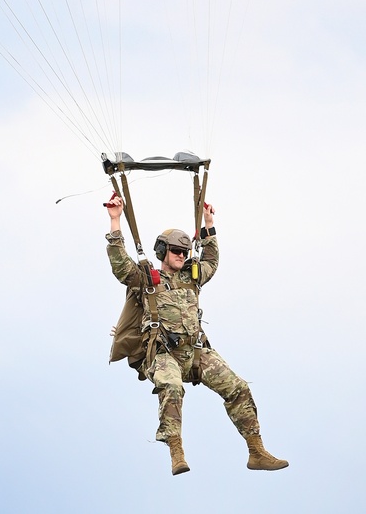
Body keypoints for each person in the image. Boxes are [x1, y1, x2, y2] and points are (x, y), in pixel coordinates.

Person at [105, 192, 288, 476]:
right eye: (176, 251)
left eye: (185, 252)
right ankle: (176, 451)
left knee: (238, 388)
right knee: (172, 387)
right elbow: (120, 266)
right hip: (163, 355)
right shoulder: (147, 279)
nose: (181, 256)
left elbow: (211, 261)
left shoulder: (192, 276)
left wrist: (208, 225)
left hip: (196, 352)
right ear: (163, 251)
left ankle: (256, 451)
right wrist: (116, 221)